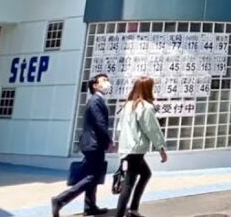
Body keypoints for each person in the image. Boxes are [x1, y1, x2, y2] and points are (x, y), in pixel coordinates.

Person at [52, 73, 113, 216]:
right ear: (95, 85)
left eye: (107, 80)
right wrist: (108, 141)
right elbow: (100, 124)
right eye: (104, 80)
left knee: (93, 175)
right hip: (94, 144)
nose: (107, 82)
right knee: (93, 176)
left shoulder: (98, 100)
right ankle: (60, 199)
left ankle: (90, 207)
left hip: (92, 143)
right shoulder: (95, 101)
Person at [114, 76, 168, 217]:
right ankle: (126, 212)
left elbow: (120, 128)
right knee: (129, 183)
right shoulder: (145, 107)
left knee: (144, 174)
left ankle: (133, 209)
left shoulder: (127, 106)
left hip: (127, 148)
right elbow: (152, 129)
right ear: (147, 89)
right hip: (136, 149)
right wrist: (161, 148)